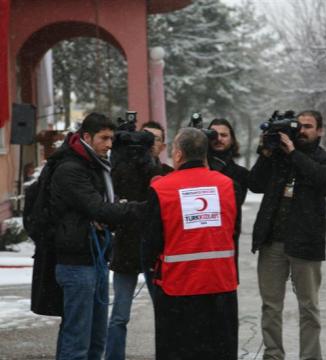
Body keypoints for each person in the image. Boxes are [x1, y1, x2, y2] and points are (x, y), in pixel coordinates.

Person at [49, 112, 144, 360]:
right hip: (75, 262)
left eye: (112, 138)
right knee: (77, 338)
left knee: (95, 339)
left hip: (96, 258)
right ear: (87, 136)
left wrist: (110, 213)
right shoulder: (70, 168)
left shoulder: (97, 165)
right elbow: (98, 208)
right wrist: (139, 209)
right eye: (104, 138)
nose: (110, 145)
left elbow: (103, 208)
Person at [142, 127, 242, 360]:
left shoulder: (161, 189)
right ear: (205, 154)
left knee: (177, 351)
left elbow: (151, 241)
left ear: (177, 154)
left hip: (177, 288)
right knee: (220, 352)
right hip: (221, 286)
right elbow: (233, 232)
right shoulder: (228, 186)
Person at [248, 110, 326, 360]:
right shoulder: (278, 156)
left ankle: (310, 357)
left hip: (306, 242)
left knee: (308, 307)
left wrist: (293, 153)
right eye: (298, 126)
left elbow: (322, 182)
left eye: (308, 126)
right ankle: (273, 354)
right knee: (270, 306)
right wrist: (265, 153)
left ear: (319, 131)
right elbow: (255, 184)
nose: (302, 130)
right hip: (272, 241)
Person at [105, 121, 172, 360]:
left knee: (165, 313)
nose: (148, 143)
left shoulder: (166, 173)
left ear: (163, 145)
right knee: (120, 314)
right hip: (127, 247)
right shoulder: (123, 168)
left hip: (156, 250)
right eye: (144, 137)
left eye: (154, 139)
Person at [207, 118, 249, 203]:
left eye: (223, 135)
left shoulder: (241, 174)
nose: (218, 139)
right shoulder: (199, 168)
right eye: (214, 135)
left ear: (232, 139)